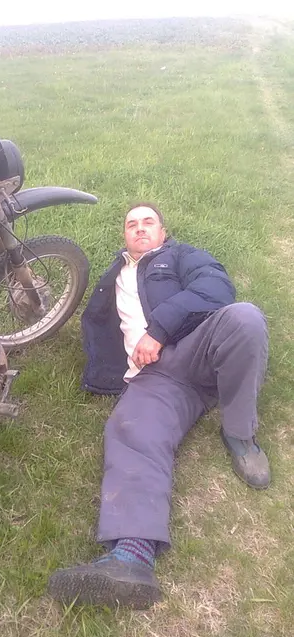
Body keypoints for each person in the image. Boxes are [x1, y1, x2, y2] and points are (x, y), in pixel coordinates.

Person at [47, 203, 270, 609]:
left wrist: (159, 329)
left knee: (246, 319)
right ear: (124, 237)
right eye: (131, 224)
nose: (139, 228)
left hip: (197, 348)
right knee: (131, 429)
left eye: (148, 222)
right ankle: (131, 557)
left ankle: (240, 434)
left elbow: (217, 288)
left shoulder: (180, 255)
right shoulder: (112, 278)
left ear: (163, 232)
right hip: (157, 378)